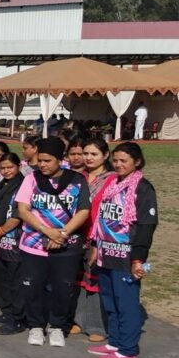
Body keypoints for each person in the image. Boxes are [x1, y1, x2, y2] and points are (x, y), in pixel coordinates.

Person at [15, 138, 90, 348]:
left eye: (47, 160)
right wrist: (45, 230)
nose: (42, 165)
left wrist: (62, 234)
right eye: (40, 160)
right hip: (34, 244)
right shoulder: (31, 179)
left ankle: (57, 325)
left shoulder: (77, 180)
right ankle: (36, 325)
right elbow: (23, 210)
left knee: (63, 287)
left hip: (67, 245)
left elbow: (83, 210)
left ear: (60, 159)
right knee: (33, 286)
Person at [90, 142, 157, 358]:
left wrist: (138, 258)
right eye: (115, 160)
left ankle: (128, 350)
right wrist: (96, 245)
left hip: (126, 256)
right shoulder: (113, 184)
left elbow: (147, 226)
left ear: (137, 162)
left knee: (126, 302)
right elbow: (102, 219)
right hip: (106, 252)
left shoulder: (142, 188)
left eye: (124, 161)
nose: (118, 164)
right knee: (110, 300)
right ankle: (115, 341)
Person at [74, 137, 113, 342]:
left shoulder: (112, 179)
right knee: (78, 279)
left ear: (105, 155)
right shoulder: (78, 176)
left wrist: (99, 240)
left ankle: (97, 325)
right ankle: (78, 320)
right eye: (85, 153)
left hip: (99, 236)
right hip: (76, 234)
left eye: (94, 154)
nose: (88, 158)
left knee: (96, 281)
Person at [0, 153, 27, 335]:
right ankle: (7, 313)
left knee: (15, 282)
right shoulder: (2, 186)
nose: (7, 171)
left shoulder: (23, 186)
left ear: (18, 166)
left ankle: (17, 319)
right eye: (3, 168)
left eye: (10, 167)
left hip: (14, 241)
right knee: (2, 281)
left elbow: (17, 216)